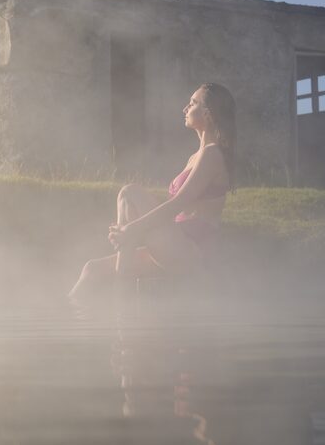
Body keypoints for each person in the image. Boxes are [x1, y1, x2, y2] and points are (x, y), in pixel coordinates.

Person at [68, 82, 236, 302]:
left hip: (193, 250)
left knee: (130, 193)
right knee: (91, 270)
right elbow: (176, 209)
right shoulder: (194, 158)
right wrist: (129, 230)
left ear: (207, 114)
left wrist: (131, 229)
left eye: (193, 103)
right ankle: (63, 312)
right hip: (174, 240)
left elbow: (177, 204)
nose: (185, 108)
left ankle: (122, 292)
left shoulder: (213, 154)